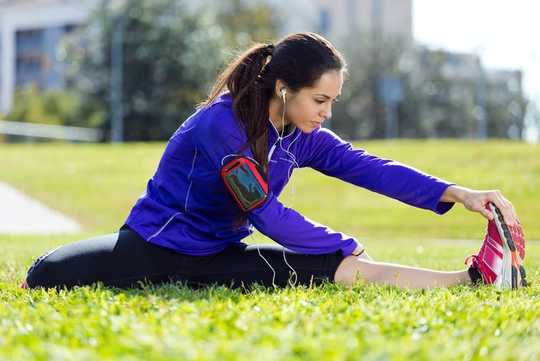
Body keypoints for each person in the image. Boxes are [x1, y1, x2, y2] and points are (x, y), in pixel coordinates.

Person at [22, 32, 526, 291]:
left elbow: (369, 167)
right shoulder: (221, 128)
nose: (327, 114)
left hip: (219, 256)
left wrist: (458, 193)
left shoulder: (298, 131)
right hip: (155, 247)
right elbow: (265, 213)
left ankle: (473, 280)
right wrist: (345, 241)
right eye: (320, 101)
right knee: (48, 274)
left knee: (335, 268)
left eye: (333, 103)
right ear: (284, 90)